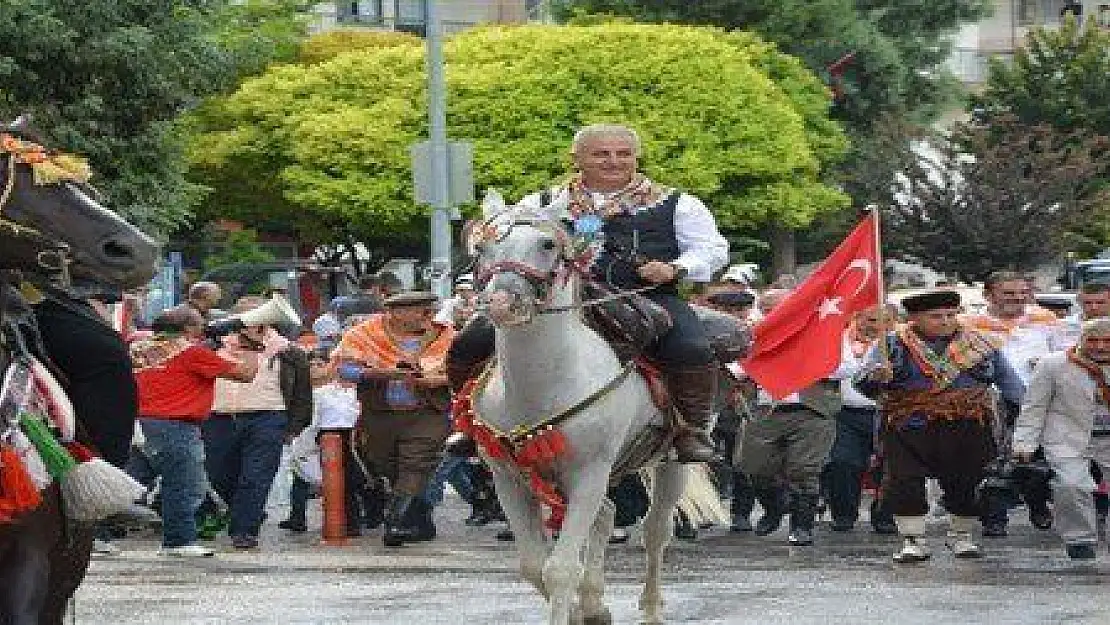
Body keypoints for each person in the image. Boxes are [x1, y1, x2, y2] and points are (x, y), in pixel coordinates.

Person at [448, 123, 729, 462]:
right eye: (601, 154)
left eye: (623, 154)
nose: (614, 161)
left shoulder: (677, 203)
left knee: (691, 346)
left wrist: (676, 268)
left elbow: (713, 249)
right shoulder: (542, 203)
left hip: (650, 296)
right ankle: (467, 422)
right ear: (577, 157)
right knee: (469, 341)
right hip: (559, 299)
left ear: (637, 157)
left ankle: (690, 430)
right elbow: (502, 238)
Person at [859, 290, 1025, 563]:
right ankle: (913, 539)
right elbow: (863, 384)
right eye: (936, 316)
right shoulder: (891, 344)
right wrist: (877, 377)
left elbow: (1008, 382)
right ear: (914, 318)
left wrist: (1022, 413)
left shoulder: (979, 343)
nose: (946, 321)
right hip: (908, 424)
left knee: (967, 479)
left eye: (950, 314)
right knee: (905, 480)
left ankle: (961, 535)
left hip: (967, 422)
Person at [132, 306, 259, 557]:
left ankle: (95, 533)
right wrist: (251, 344)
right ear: (189, 328)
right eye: (200, 324)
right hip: (178, 425)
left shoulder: (141, 347)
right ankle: (178, 541)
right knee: (183, 485)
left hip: (141, 422)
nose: (204, 327)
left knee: (131, 481)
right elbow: (246, 374)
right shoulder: (192, 352)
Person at [336, 291, 454, 547]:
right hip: (380, 414)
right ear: (397, 313)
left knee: (416, 464)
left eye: (430, 309)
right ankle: (421, 519)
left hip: (427, 413)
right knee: (389, 467)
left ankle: (394, 522)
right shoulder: (363, 334)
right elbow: (343, 369)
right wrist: (383, 374)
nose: (428, 316)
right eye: (421, 311)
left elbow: (463, 371)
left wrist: (436, 380)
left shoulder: (447, 335)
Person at [738, 288, 853, 546]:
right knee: (753, 466)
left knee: (804, 470)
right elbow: (737, 365)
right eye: (766, 309)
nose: (771, 314)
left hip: (811, 410)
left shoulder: (824, 328)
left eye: (777, 308)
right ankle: (774, 507)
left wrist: (805, 363)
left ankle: (802, 526)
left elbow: (847, 367)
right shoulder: (752, 332)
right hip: (765, 409)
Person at [205, 296, 313, 550]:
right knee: (219, 473)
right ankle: (246, 509)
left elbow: (302, 393)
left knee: (256, 476)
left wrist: (294, 427)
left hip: (268, 416)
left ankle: (245, 529)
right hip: (218, 417)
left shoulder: (287, 351)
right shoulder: (214, 346)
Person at [960, 270, 1058, 536]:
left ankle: (1037, 502)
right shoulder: (967, 324)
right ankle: (994, 519)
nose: (1017, 299)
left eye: (1022, 293)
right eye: (1009, 293)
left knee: (1032, 458)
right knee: (990, 459)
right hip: (987, 401)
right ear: (988, 295)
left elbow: (1063, 354)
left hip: (1036, 402)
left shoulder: (1046, 320)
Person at [1013, 318, 1110, 560]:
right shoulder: (1053, 364)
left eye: (1107, 341)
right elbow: (1034, 406)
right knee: (1071, 486)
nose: (1099, 347)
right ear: (1081, 340)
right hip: (1066, 437)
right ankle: (1080, 540)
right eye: (1093, 340)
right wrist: (1024, 443)